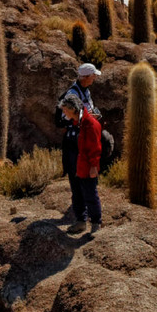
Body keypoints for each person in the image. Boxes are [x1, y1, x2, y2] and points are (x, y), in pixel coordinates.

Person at [60, 92, 102, 234]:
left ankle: (96, 224)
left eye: (65, 109)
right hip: (76, 166)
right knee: (77, 194)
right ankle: (81, 222)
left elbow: (95, 148)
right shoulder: (76, 123)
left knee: (90, 194)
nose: (63, 112)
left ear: (72, 109)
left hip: (87, 167)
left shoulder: (90, 124)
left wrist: (93, 167)